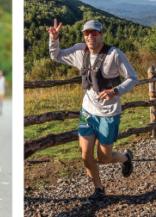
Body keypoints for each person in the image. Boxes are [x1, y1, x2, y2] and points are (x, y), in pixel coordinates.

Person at [48, 19, 139, 204]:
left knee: (104, 158)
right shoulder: (79, 51)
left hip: (109, 113)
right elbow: (55, 56)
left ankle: (125, 158)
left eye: (94, 33)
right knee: (85, 154)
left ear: (101, 34)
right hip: (88, 111)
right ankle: (99, 190)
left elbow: (133, 78)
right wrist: (54, 40)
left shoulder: (114, 54)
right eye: (86, 33)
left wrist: (115, 91)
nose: (90, 36)